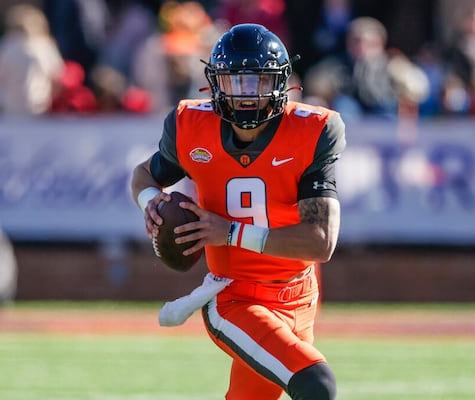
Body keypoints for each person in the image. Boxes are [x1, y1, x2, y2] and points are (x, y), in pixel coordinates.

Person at [131, 23, 345, 400]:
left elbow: (320, 242)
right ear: (215, 83)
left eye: (258, 81)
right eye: (236, 81)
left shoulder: (314, 130)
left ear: (279, 83)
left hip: (301, 294)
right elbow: (144, 174)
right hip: (235, 299)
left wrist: (229, 232)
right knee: (316, 384)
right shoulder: (190, 126)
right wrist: (150, 202)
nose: (246, 95)